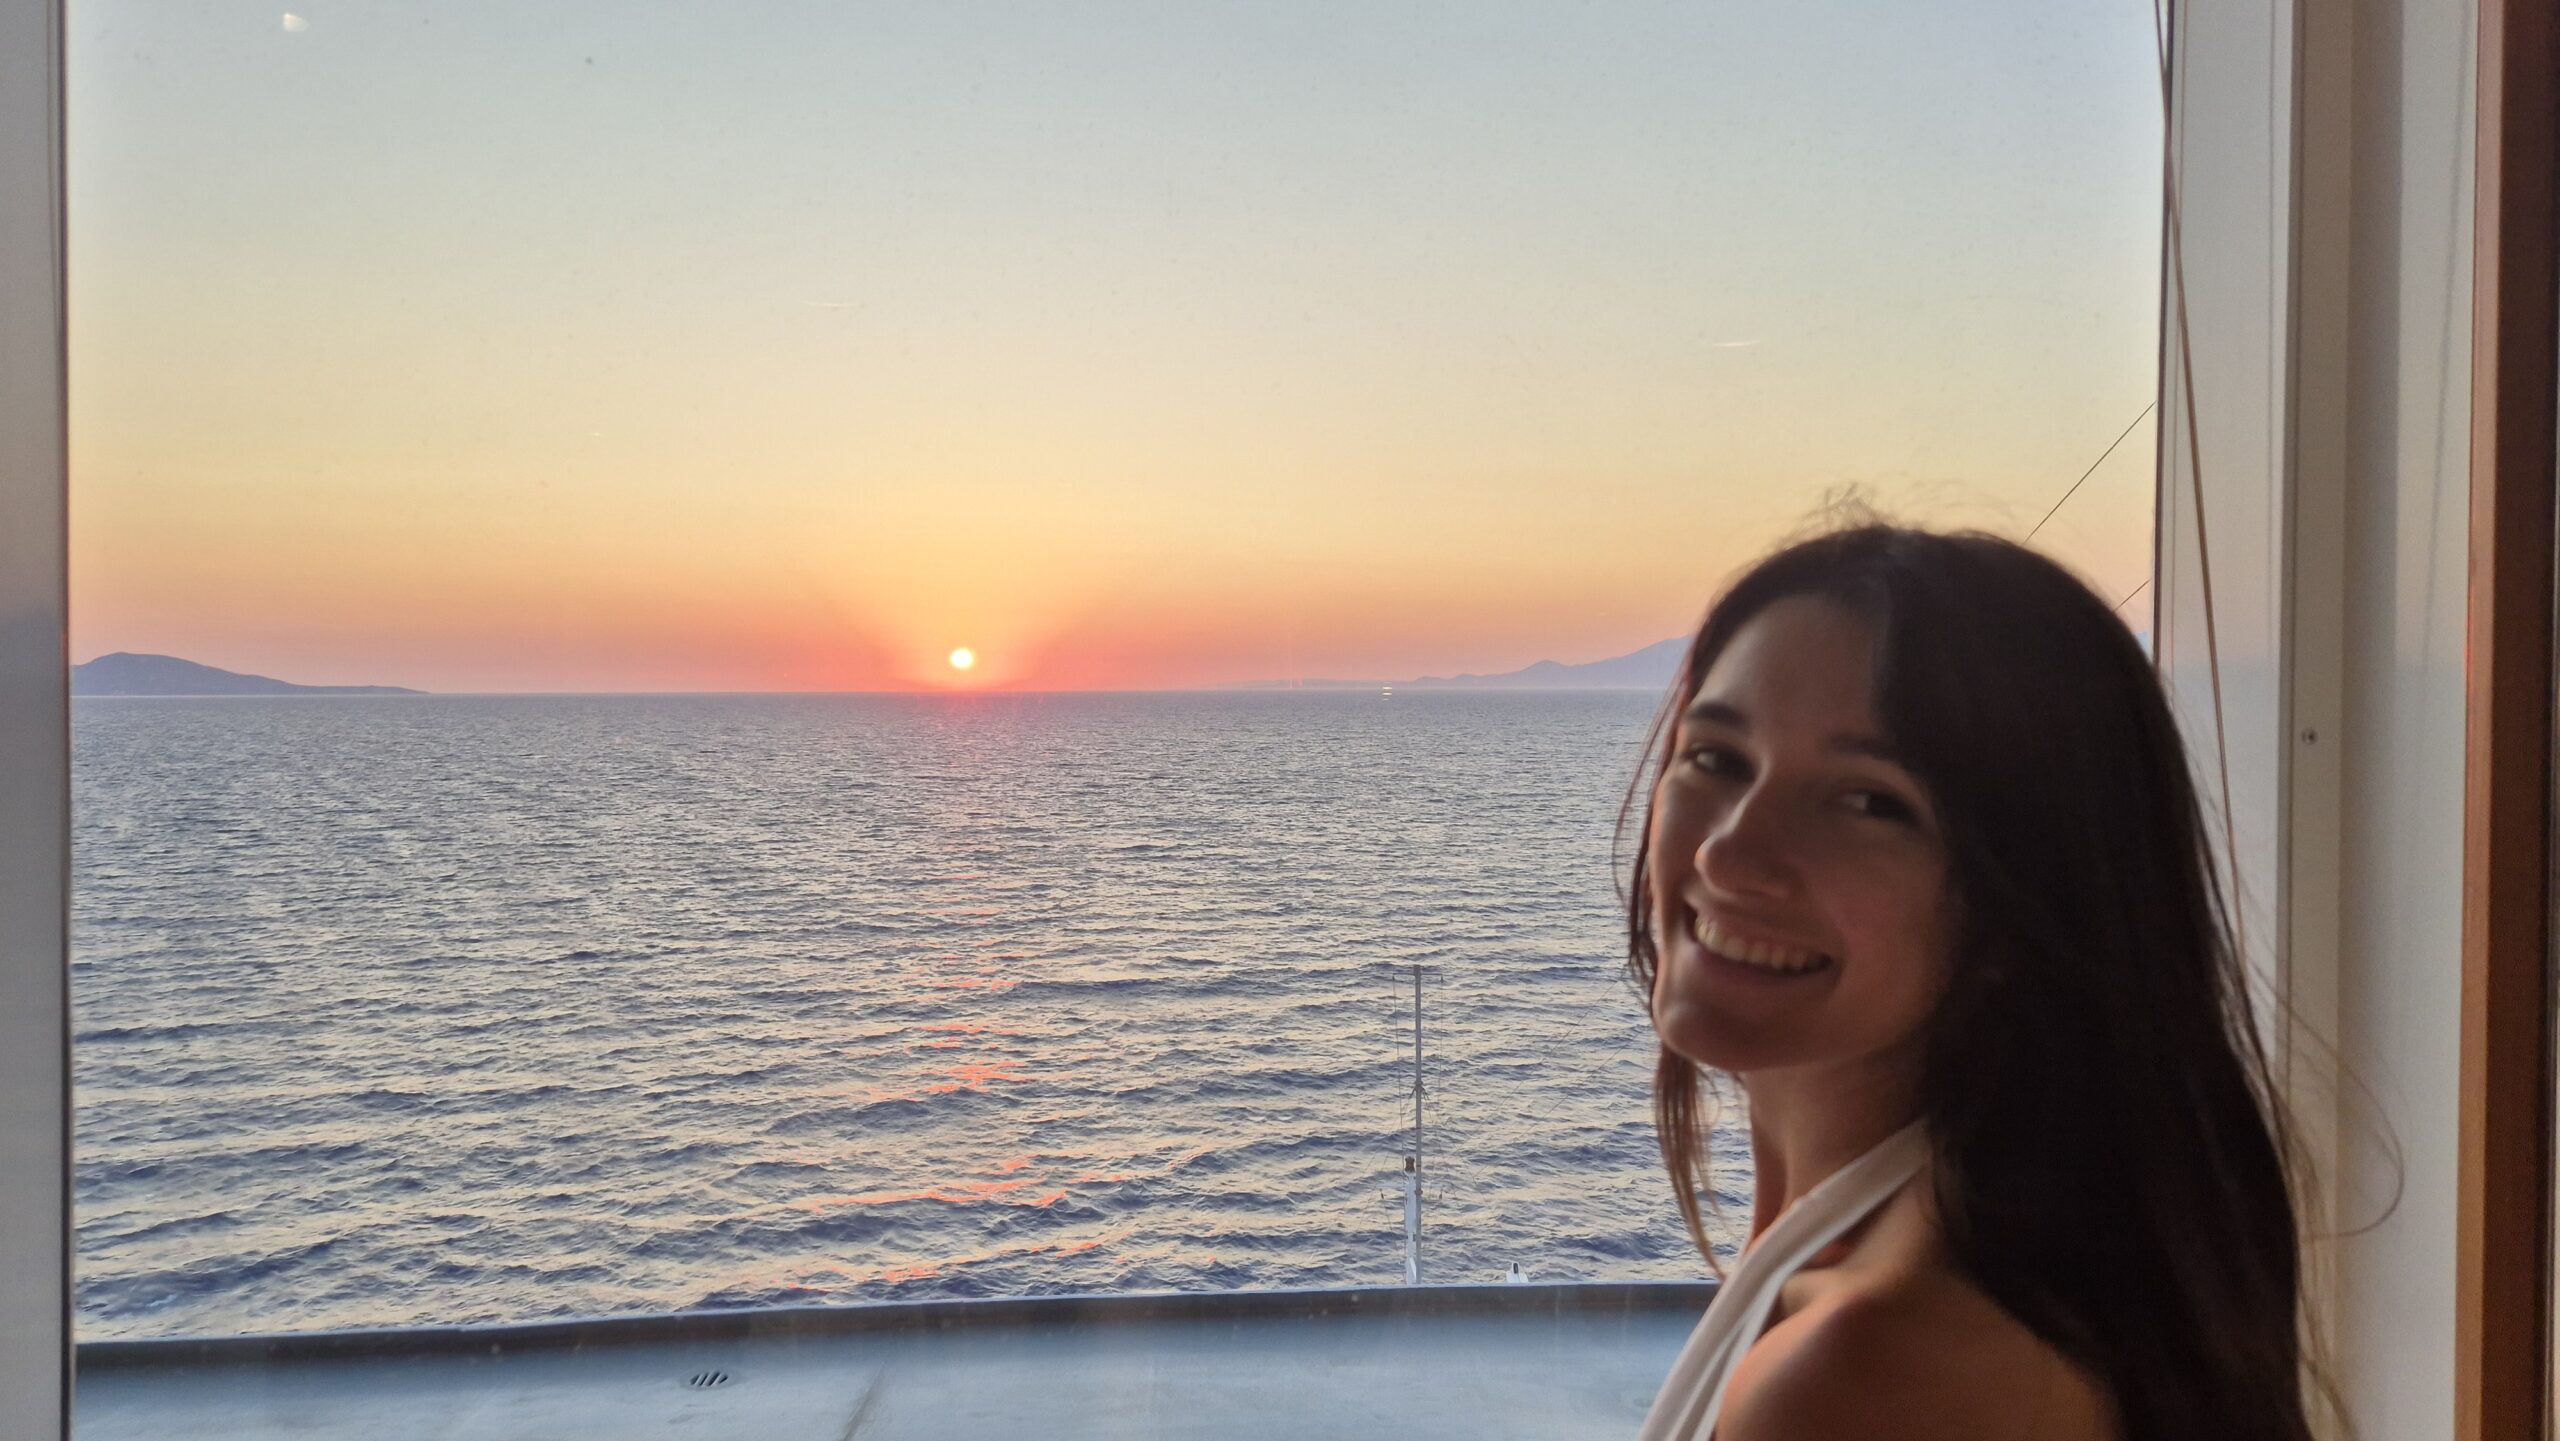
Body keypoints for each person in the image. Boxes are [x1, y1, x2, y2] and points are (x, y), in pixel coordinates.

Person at [1626, 525, 2314, 1441]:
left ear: (2026, 897)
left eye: (1869, 800)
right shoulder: (1995, 1247)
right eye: (1716, 757)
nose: (1729, 852)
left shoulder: (1870, 1372)